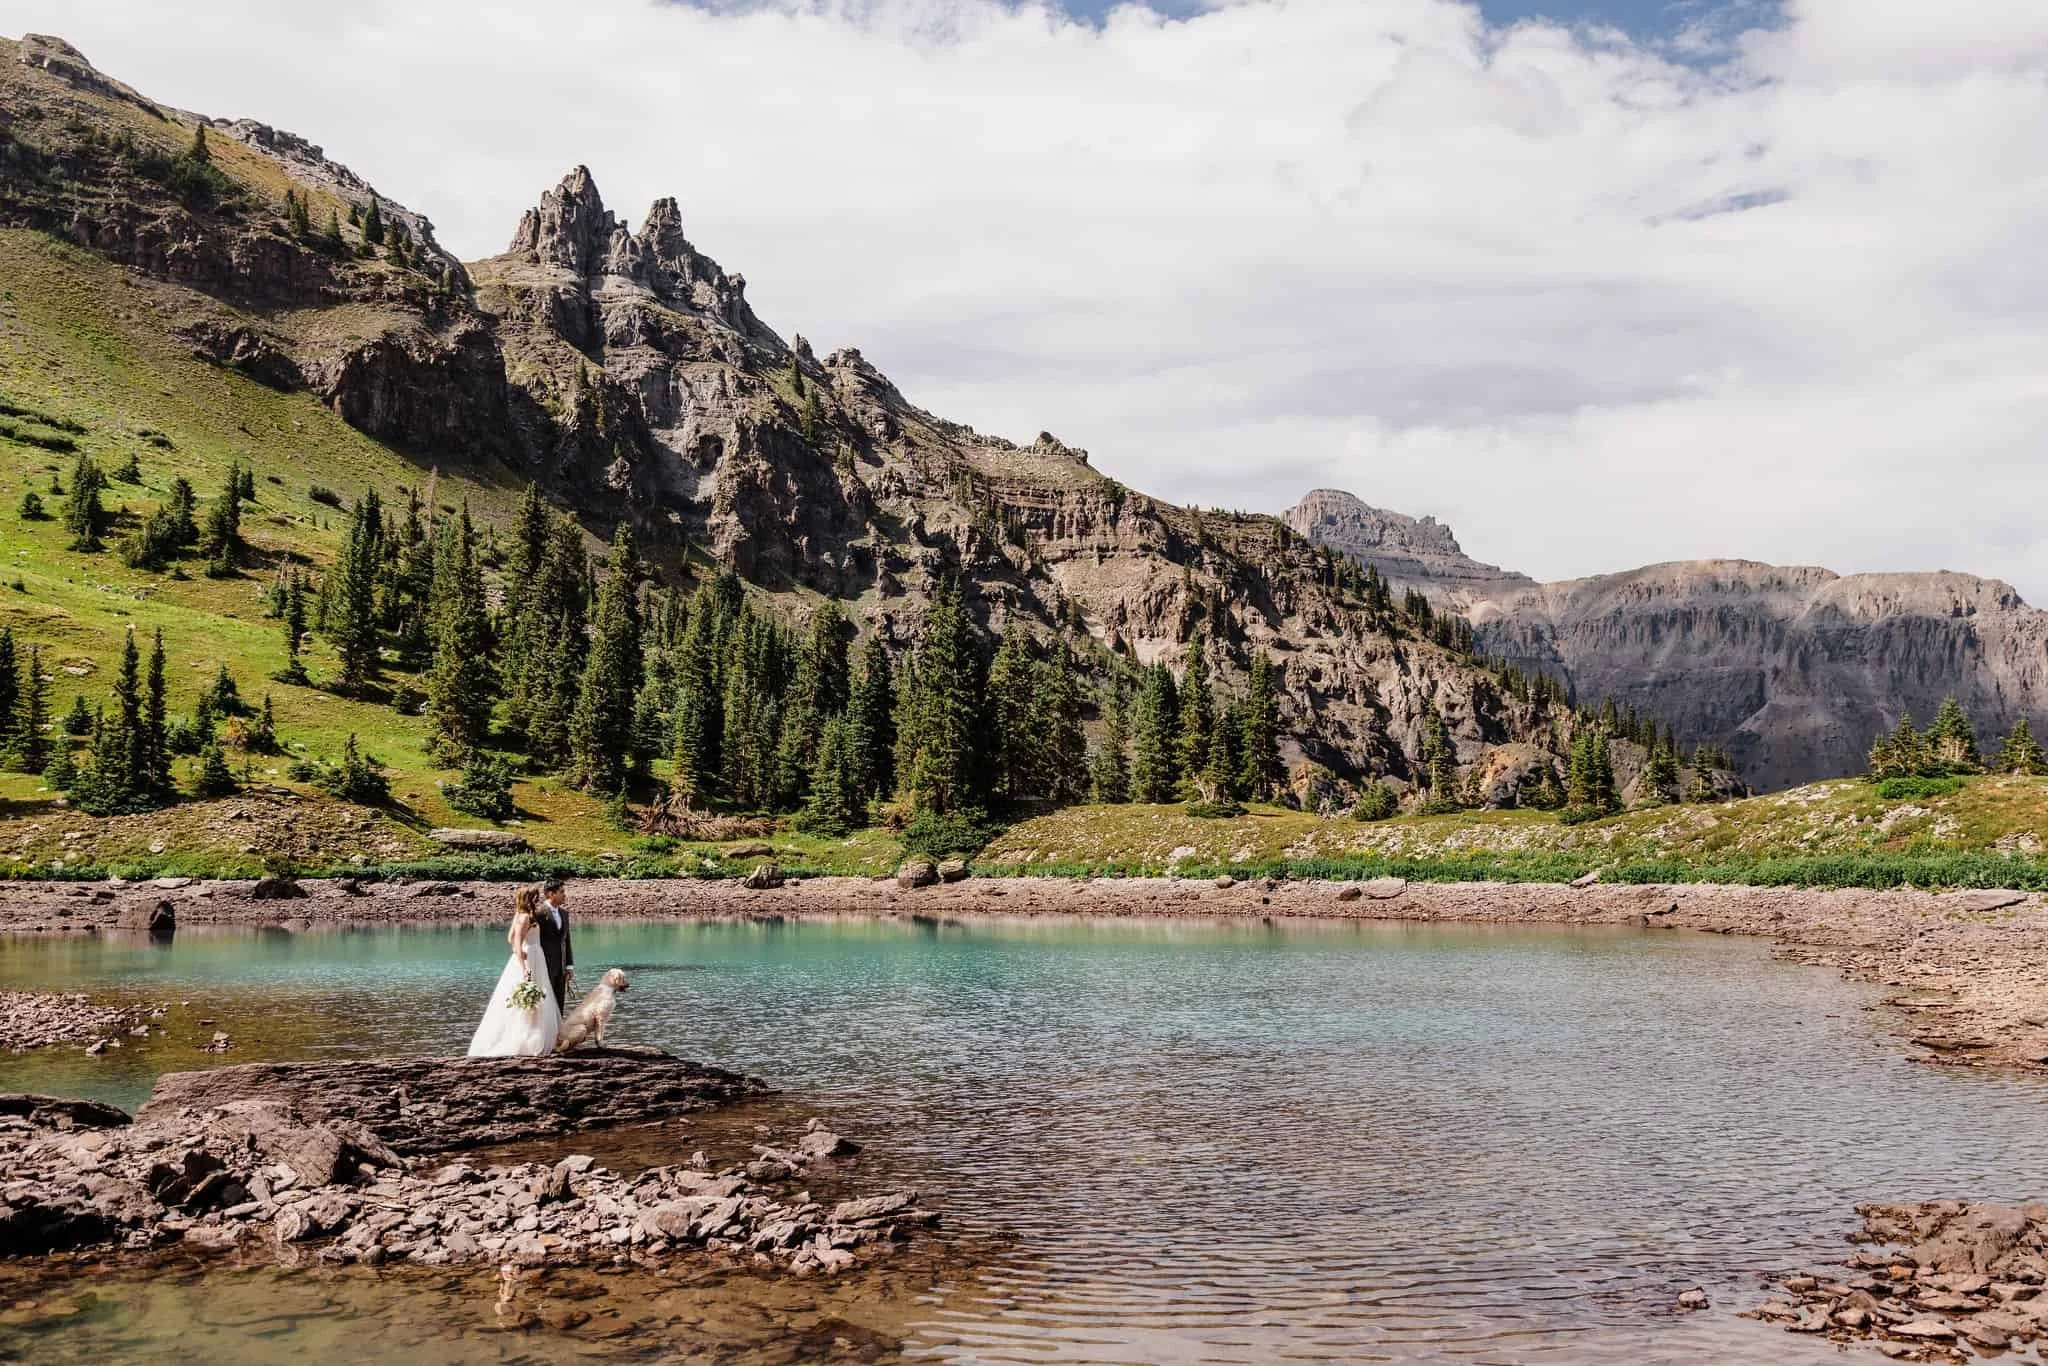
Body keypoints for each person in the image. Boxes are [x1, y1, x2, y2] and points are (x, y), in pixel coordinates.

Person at [466, 884, 561, 1056]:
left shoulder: (521, 915)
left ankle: (534, 1035)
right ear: (529, 899)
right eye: (535, 897)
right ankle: (527, 1038)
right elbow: (516, 941)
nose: (537, 899)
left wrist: (521, 949)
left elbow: (510, 938)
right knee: (530, 997)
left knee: (536, 996)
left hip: (534, 954)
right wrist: (523, 963)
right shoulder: (524, 917)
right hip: (531, 957)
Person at [536, 876, 574, 1015]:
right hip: (545, 965)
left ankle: (558, 1033)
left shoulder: (564, 913)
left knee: (559, 1003)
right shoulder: (539, 913)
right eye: (562, 892)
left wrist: (569, 966)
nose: (565, 895)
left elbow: (566, 940)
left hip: (562, 967)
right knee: (545, 1002)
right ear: (551, 894)